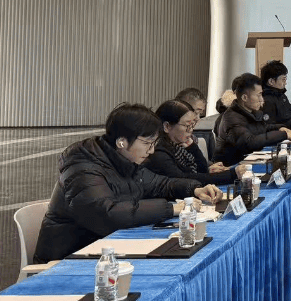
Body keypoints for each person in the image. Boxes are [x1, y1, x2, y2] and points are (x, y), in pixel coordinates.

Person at [34, 103, 221, 263]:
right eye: (147, 143)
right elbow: (106, 215)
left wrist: (194, 189)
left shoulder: (125, 161)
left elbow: (160, 184)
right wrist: (171, 209)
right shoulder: (83, 167)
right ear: (122, 142)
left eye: (154, 143)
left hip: (106, 251)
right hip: (67, 260)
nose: (151, 150)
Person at [144, 100, 242, 185]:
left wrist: (192, 147)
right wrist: (231, 175)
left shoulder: (178, 146)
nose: (191, 130)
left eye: (192, 125)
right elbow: (184, 179)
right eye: (187, 125)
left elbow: (202, 170)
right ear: (167, 126)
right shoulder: (158, 152)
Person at [214, 72, 291, 166]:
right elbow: (249, 142)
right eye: (258, 95)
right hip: (231, 167)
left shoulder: (251, 112)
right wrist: (283, 135)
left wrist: (281, 128)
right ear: (244, 97)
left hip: (248, 162)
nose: (262, 99)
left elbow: (263, 128)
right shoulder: (231, 117)